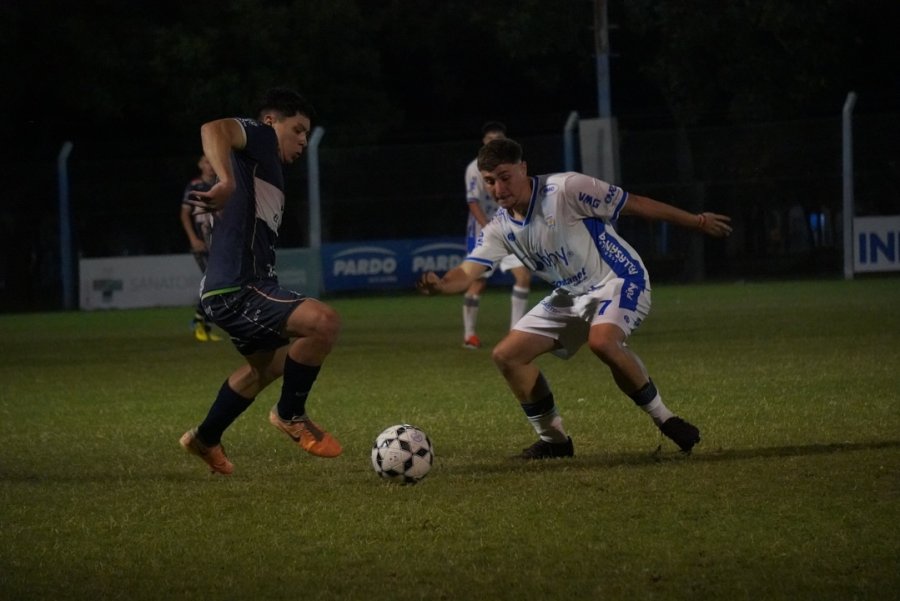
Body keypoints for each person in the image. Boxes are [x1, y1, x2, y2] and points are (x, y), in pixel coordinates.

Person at [418, 138, 732, 459]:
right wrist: (440, 285)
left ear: (523, 168)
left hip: (618, 279)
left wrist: (698, 221)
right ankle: (555, 441)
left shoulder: (566, 189)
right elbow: (467, 271)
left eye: (504, 177)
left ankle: (666, 419)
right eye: (489, 181)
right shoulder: (500, 227)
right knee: (507, 356)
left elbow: (636, 203)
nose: (498, 188)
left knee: (603, 342)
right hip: (570, 295)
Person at [179, 87, 342, 475]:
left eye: (307, 134)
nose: (303, 141)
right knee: (323, 323)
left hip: (235, 286)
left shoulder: (265, 166)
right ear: (271, 121)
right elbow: (213, 128)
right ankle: (291, 413)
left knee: (268, 367)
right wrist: (225, 181)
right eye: (298, 130)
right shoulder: (262, 136)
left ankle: (205, 438)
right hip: (239, 285)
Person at [461, 121, 531, 349]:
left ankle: (515, 333)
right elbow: (473, 202)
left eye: (498, 140)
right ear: (484, 142)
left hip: (509, 230)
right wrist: (489, 227)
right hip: (483, 233)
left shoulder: (511, 166)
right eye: (490, 140)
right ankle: (469, 335)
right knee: (478, 283)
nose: (494, 143)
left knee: (523, 277)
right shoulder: (474, 168)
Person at [179, 154, 222, 342]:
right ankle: (198, 321)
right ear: (200, 165)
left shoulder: (221, 185)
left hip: (218, 243)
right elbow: (184, 214)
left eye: (213, 162)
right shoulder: (195, 186)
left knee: (217, 283)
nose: (210, 166)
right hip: (201, 244)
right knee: (212, 281)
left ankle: (204, 324)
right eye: (206, 162)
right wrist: (193, 239)